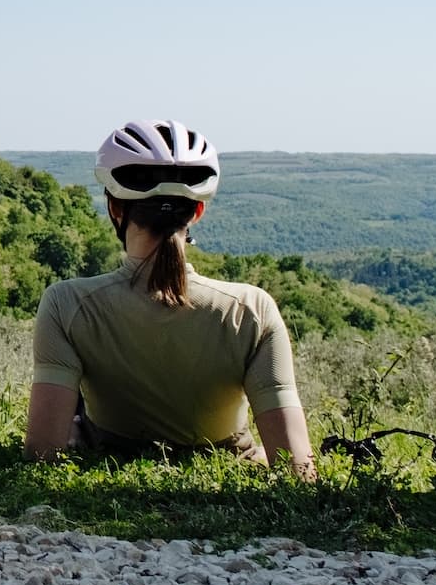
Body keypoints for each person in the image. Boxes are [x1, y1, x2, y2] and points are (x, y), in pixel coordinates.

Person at [24, 120, 316, 478]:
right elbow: (297, 466)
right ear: (197, 211)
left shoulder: (66, 304)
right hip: (229, 465)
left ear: (115, 209)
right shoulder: (251, 309)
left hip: (106, 453)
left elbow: (41, 452)